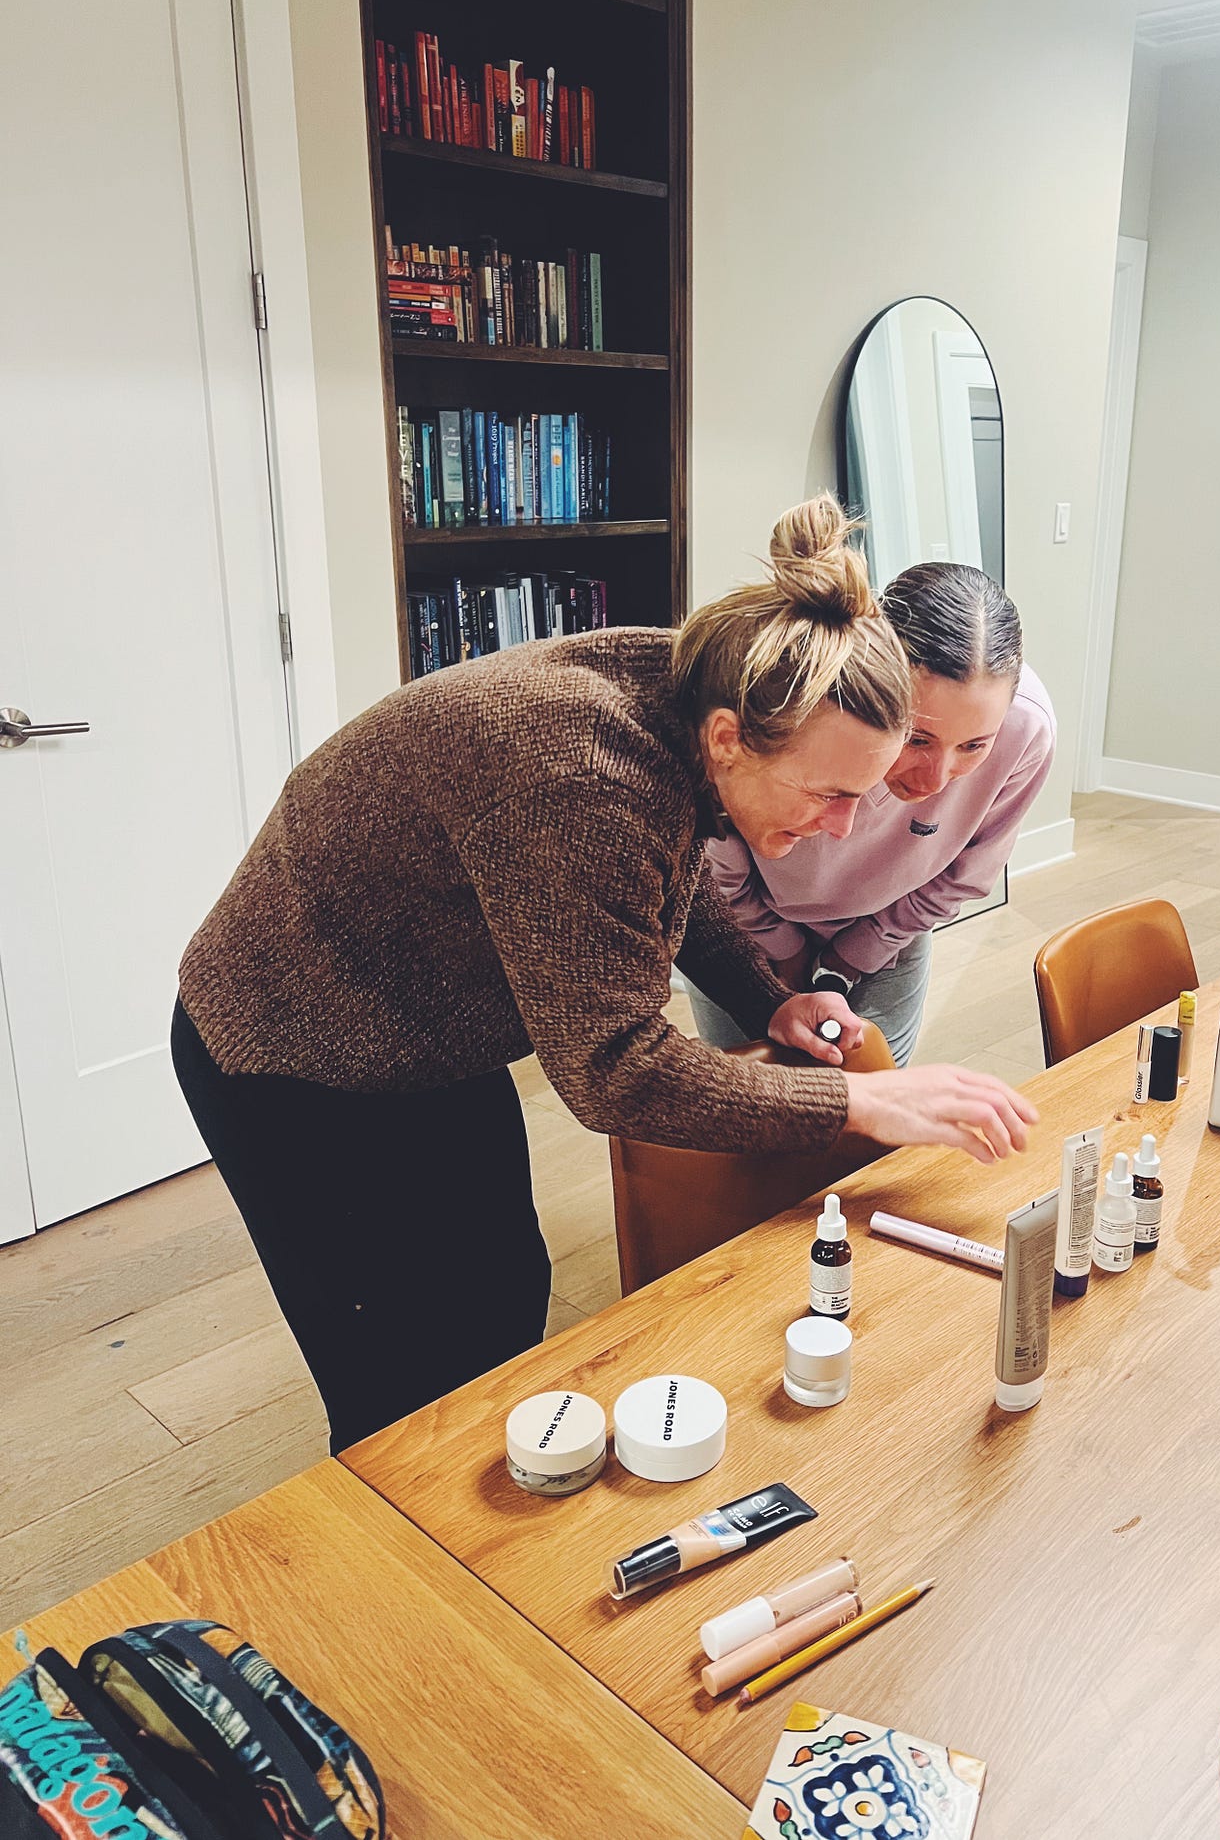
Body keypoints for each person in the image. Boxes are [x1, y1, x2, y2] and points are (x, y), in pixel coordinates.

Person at [171, 497, 1037, 1450]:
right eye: (830, 795)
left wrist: (770, 997)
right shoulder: (583, 776)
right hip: (288, 1045)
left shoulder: (699, 696)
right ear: (726, 741)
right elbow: (616, 1068)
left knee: (501, 1288)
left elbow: (669, 874)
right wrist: (858, 1106)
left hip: (424, 1026)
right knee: (395, 1374)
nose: (840, 828)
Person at [688, 561, 1054, 1065]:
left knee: (877, 1114)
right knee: (745, 1112)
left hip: (893, 930)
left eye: (974, 746)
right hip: (737, 927)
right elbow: (713, 865)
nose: (934, 782)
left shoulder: (1028, 731)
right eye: (916, 738)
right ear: (871, 679)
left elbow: (966, 875)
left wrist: (856, 956)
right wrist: (783, 952)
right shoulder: (796, 705)